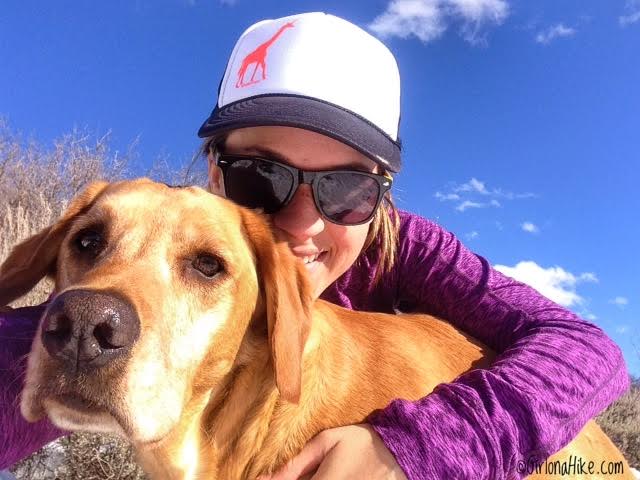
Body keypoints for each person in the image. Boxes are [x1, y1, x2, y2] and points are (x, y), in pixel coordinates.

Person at [0, 12, 630, 479]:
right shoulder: (113, 292)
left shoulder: (409, 249)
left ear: (380, 197)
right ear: (217, 175)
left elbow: (588, 350)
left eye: (346, 187)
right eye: (260, 176)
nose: (301, 226)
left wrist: (413, 449)